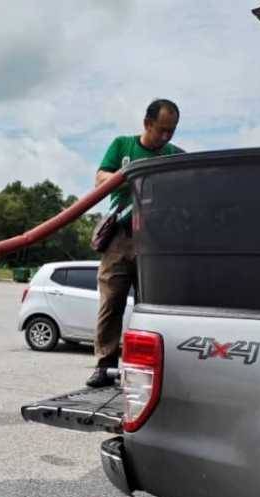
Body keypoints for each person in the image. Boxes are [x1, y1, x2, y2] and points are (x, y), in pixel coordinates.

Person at [87, 99, 183, 388]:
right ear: (147, 124)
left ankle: (144, 367)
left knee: (149, 305)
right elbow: (100, 178)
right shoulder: (123, 146)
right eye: (162, 130)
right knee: (112, 301)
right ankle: (104, 365)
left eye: (172, 131)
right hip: (120, 235)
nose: (166, 137)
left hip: (155, 239)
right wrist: (129, 176)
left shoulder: (174, 155)